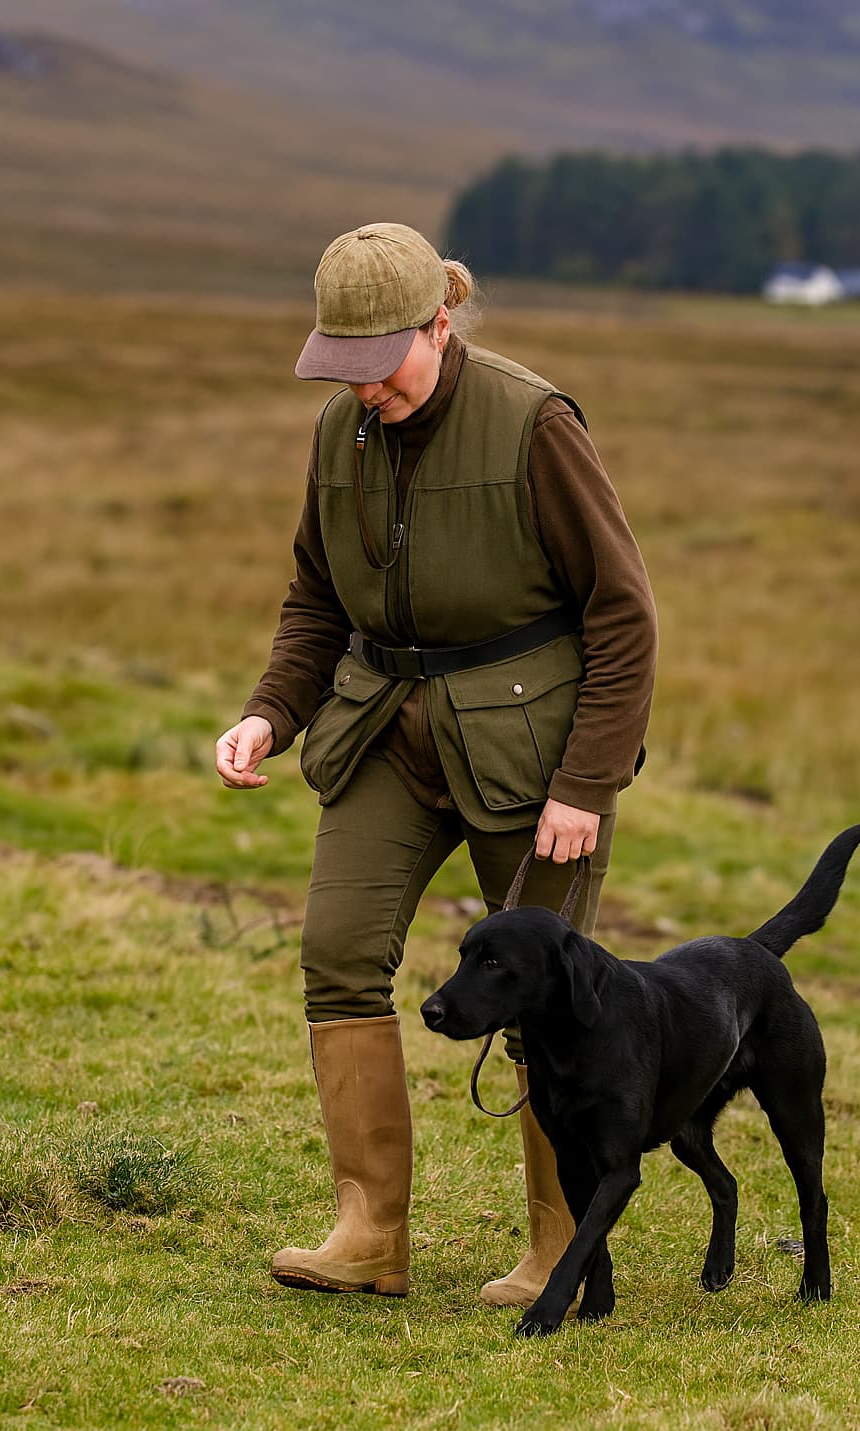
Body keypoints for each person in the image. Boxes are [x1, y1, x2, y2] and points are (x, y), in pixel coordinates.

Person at [216, 222, 657, 1307]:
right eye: (344, 369)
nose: (365, 390)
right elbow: (316, 598)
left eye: (383, 366)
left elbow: (624, 615)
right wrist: (272, 711)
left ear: (439, 325)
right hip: (381, 731)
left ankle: (562, 1248)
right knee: (336, 948)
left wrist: (585, 784)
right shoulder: (339, 432)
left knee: (550, 998)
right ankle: (369, 1235)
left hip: (529, 752)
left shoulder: (533, 423)